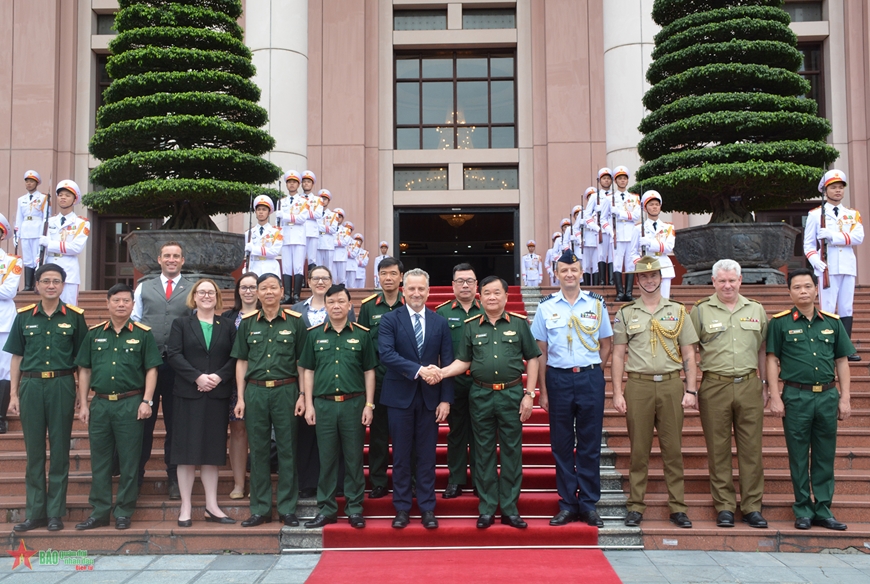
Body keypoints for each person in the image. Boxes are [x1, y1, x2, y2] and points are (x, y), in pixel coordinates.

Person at [441, 276, 540, 529]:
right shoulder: (471, 326)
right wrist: (440, 373)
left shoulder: (518, 324)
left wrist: (529, 395)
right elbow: (463, 361)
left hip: (511, 395)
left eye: (497, 293)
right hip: (481, 395)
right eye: (487, 293)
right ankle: (486, 508)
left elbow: (534, 358)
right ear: (480, 297)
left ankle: (509, 508)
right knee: (483, 453)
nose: (492, 297)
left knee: (511, 452)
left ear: (506, 297)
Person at [611, 256, 698, 529]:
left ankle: (678, 508)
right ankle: (636, 506)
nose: (649, 280)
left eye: (654, 276)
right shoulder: (626, 313)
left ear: (661, 278)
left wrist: (691, 389)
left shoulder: (678, 311)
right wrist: (617, 392)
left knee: (673, 450)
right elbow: (617, 355)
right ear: (637, 281)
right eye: (644, 277)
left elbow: (689, 354)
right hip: (639, 386)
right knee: (639, 450)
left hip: (672, 384)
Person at [767, 267, 853, 531]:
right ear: (789, 291)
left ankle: (824, 509)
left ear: (816, 289)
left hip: (827, 396)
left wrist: (845, 398)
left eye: (807, 286)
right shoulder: (780, 323)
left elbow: (842, 360)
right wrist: (774, 395)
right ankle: (803, 508)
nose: (803, 291)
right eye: (797, 287)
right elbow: (771, 359)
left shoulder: (832, 322)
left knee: (825, 455)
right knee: (798, 455)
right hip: (796, 396)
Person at [530, 250, 612, 527]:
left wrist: (595, 373)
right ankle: (567, 503)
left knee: (589, 445)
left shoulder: (597, 304)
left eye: (574, 270)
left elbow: (606, 343)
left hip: (589, 378)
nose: (569, 275)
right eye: (564, 270)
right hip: (558, 380)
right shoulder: (546, 307)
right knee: (562, 445)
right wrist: (543, 389)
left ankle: (588, 504)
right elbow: (540, 351)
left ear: (581, 272)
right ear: (556, 273)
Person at [5, 263, 87, 532]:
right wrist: (13, 394)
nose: (51, 285)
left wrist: (81, 394)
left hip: (62, 384)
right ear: (37, 285)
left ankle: (55, 513)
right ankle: (35, 512)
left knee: (60, 450)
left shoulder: (75, 317)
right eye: (45, 281)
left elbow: (83, 361)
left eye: (56, 281)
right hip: (31, 386)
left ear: (63, 285)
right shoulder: (24, 316)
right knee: (35, 452)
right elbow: (16, 357)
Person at [74, 284, 162, 531]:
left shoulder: (143, 334)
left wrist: (147, 400)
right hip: (101, 404)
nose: (121, 304)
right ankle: (99, 511)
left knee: (129, 460)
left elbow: (152, 369)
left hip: (131, 403)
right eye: (117, 300)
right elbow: (85, 369)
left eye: (126, 300)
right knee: (100, 460)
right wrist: (84, 403)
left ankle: (123, 510)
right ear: (108, 303)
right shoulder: (94, 334)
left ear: (133, 305)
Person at [690, 259, 768, 529]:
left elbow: (762, 350)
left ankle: (751, 506)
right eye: (721, 280)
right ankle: (724, 505)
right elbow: (690, 350)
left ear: (740, 280)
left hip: (749, 384)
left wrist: (766, 383)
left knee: (751, 449)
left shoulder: (756, 309)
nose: (727, 285)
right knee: (718, 448)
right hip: (715, 385)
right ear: (713, 282)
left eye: (731, 280)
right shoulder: (700, 311)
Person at [378, 268, 454, 529]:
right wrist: (419, 371)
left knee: (426, 456)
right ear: (403, 290)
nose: (416, 293)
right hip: (399, 398)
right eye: (411, 288)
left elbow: (448, 362)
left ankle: (427, 508)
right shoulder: (390, 320)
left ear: (428, 291)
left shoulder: (439, 322)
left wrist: (446, 400)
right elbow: (386, 355)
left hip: (431, 400)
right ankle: (401, 508)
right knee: (400, 456)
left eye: (421, 289)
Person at [299, 284, 378, 529]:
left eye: (341, 302)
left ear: (349, 305)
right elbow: (308, 371)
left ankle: (355, 509)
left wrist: (369, 404)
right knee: (327, 458)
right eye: (331, 302)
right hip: (323, 405)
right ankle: (327, 509)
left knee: (354, 458)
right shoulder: (314, 335)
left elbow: (369, 371)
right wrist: (308, 403)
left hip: (353, 404)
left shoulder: (362, 335)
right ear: (326, 306)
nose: (336, 306)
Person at [232, 273, 306, 527]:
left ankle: (287, 508)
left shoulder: (296, 322)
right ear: (258, 293)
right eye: (264, 288)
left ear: (282, 290)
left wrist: (303, 395)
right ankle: (260, 509)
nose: (269, 292)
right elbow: (241, 361)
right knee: (259, 450)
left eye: (273, 287)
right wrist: (240, 397)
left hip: (287, 391)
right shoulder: (248, 323)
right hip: (255, 391)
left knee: (287, 449)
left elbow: (302, 364)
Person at [167, 279, 238, 526]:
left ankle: (211, 505)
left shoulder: (227, 325)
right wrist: (197, 376)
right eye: (201, 292)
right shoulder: (181, 324)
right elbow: (173, 354)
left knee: (211, 453)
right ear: (194, 297)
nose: (206, 296)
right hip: (188, 394)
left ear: (217, 297)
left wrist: (218, 377)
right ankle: (186, 506)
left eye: (211, 292)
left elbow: (235, 356)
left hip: (216, 395)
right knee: (186, 453)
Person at [133, 241, 192, 500]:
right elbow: (135, 320)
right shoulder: (144, 287)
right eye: (167, 255)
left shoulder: (192, 289)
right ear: (159, 259)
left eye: (176, 256)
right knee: (142, 421)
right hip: (147, 365)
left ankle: (174, 476)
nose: (171, 259)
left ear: (182, 260)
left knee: (176, 424)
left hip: (178, 367)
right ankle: (135, 475)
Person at [292, 265, 356, 498]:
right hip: (307, 375)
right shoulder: (298, 309)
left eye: (325, 278)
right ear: (308, 282)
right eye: (316, 278)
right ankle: (309, 483)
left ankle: (338, 484)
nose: (320, 282)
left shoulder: (344, 308)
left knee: (336, 438)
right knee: (308, 434)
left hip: (338, 375)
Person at [804, 169, 864, 361]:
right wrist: (816, 261)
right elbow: (808, 245)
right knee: (828, 307)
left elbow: (858, 237)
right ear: (825, 190)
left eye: (840, 188)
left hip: (847, 266)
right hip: (827, 267)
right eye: (833, 188)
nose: (838, 191)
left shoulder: (852, 214)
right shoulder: (815, 215)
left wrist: (833, 236)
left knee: (846, 308)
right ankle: (827, 346)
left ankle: (846, 348)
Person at [357, 256, 404, 499]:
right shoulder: (368, 307)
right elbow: (363, 345)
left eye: (393, 273)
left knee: (405, 435)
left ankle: (407, 480)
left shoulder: (410, 304)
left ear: (401, 277)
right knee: (377, 435)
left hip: (406, 381)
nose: (388, 278)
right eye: (383, 273)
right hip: (378, 381)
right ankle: (378, 481)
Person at [435, 263, 483, 498]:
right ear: (452, 285)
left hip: (481, 383)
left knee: (480, 433)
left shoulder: (486, 309)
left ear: (477, 285)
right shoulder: (442, 313)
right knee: (456, 433)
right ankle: (455, 479)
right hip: (454, 382)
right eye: (460, 281)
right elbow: (438, 353)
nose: (465, 285)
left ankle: (479, 478)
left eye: (470, 281)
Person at [222, 272, 259, 499]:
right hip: (233, 381)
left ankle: (258, 482)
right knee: (237, 430)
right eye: (243, 287)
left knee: (259, 431)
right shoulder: (228, 317)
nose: (248, 291)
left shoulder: (270, 315)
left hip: (261, 379)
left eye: (253, 286)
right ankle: (238, 483)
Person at [39, 180, 89, 306]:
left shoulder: (81, 223)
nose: (63, 198)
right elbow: (40, 250)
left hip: (69, 271)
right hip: (49, 268)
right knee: (48, 307)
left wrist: (50, 244)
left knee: (68, 309)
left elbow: (76, 248)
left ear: (74, 199)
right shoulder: (49, 222)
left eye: (67, 195)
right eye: (60, 195)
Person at [630, 190, 675, 299]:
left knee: (664, 299)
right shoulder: (638, 228)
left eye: (657, 204)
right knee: (649, 300)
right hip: (646, 267)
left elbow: (669, 247)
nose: (654, 207)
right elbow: (632, 253)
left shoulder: (668, 227)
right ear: (645, 208)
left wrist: (650, 243)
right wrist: (640, 264)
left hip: (663, 266)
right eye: (651, 204)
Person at [0, 213, 22, 434]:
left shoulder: (12, 261)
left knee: (4, 370)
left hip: (3, 322)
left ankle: (0, 416)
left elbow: (8, 291)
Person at [14, 170, 48, 292]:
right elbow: (19, 217)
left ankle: (38, 285)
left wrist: (44, 233)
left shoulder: (43, 198)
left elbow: (46, 217)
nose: (29, 184)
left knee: (37, 258)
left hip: (37, 230)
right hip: (25, 230)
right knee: (28, 258)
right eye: (27, 181)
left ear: (36, 183)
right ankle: (28, 285)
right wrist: (16, 234)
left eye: (31, 182)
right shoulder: (21, 199)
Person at [610, 166, 640, 301]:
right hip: (616, 234)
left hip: (630, 233)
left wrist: (620, 213)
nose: (622, 181)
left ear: (627, 181)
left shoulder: (634, 198)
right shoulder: (609, 198)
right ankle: (619, 292)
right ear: (616, 181)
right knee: (617, 263)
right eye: (619, 179)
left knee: (630, 264)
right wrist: (610, 231)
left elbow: (637, 215)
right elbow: (604, 218)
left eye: (624, 178)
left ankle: (628, 293)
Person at [278, 170, 308, 304]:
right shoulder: (281, 201)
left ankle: (296, 295)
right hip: (285, 237)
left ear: (298, 185)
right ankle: (287, 295)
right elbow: (277, 223)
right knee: (286, 267)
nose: (291, 185)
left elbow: (302, 218)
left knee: (298, 267)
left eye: (294, 182)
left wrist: (285, 217)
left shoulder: (303, 201)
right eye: (289, 182)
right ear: (286, 185)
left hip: (298, 236)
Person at [245, 195, 283, 278]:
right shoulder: (249, 233)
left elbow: (274, 252)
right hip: (254, 268)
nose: (261, 212)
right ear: (255, 211)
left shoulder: (277, 232)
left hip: (270, 267)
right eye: (258, 209)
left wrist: (254, 249)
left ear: (269, 212)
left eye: (264, 209)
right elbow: (248, 255)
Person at [577, 188, 601, 286]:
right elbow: (575, 229)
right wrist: (580, 239)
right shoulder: (582, 213)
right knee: (586, 265)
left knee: (596, 265)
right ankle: (586, 287)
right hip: (586, 241)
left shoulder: (599, 211)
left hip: (596, 241)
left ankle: (596, 287)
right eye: (590, 197)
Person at [301, 170, 323, 272]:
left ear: (312, 184)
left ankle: (311, 279)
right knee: (300, 257)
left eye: (308, 182)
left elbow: (318, 214)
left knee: (312, 258)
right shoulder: (297, 198)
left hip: (312, 231)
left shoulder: (318, 200)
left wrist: (302, 214)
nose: (306, 183)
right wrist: (310, 214)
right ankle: (301, 281)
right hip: (300, 231)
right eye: (304, 181)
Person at [596, 168, 615, 284]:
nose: (606, 181)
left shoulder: (615, 195)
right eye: (604, 178)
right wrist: (597, 228)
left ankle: (612, 280)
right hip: (601, 230)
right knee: (602, 255)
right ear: (599, 181)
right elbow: (587, 217)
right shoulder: (595, 196)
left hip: (613, 229)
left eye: (608, 178)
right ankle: (602, 280)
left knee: (613, 255)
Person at [316, 190, 340, 273]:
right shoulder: (315, 213)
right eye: (321, 199)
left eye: (325, 199)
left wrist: (319, 227)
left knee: (328, 268)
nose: (323, 201)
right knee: (317, 268)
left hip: (328, 244)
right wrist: (326, 228)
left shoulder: (333, 215)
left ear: (328, 201)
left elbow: (333, 229)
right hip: (317, 243)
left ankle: (328, 285)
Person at [332, 212, 350, 286]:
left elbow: (345, 242)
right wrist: (339, 243)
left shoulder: (346, 230)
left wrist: (335, 243)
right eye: (337, 217)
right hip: (332, 256)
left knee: (342, 278)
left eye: (340, 217)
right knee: (332, 278)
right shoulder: (330, 228)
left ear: (342, 219)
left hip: (342, 256)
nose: (338, 219)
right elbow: (328, 241)